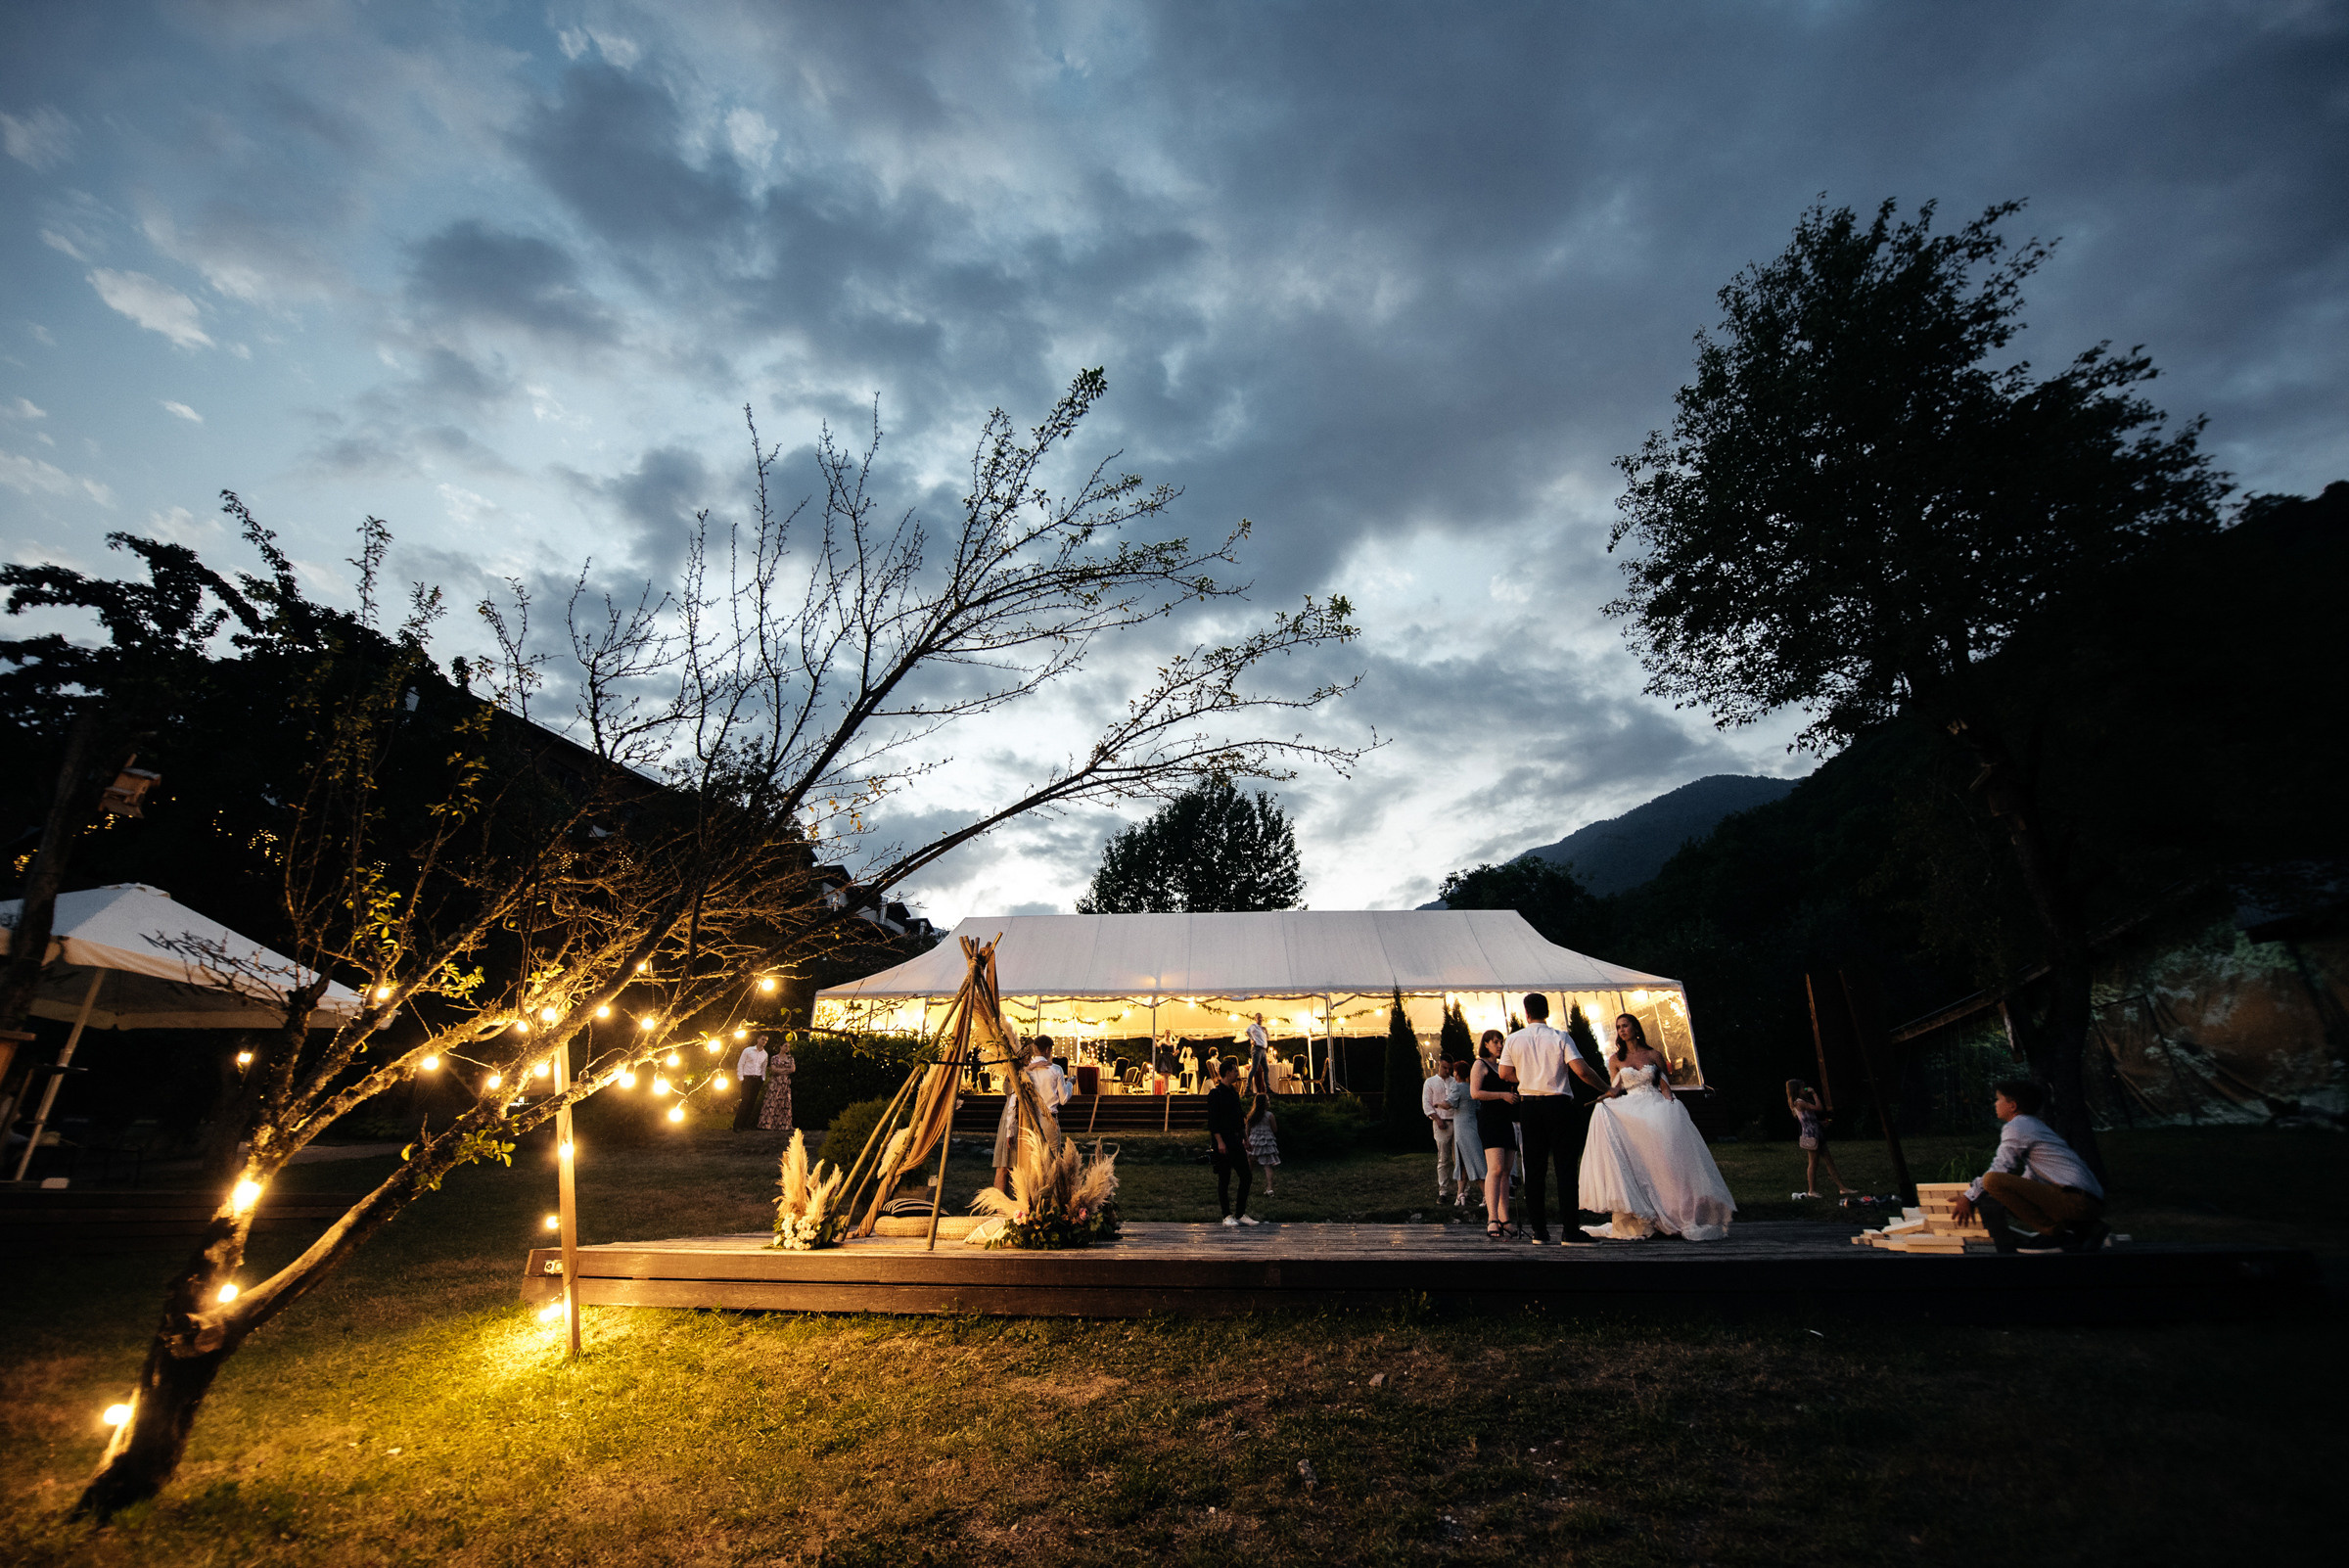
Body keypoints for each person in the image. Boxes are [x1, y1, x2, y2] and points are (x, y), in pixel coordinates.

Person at [1578, 1014, 1736, 1240]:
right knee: (1636, 1156)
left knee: (1663, 1159)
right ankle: (1643, 1213)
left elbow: (1664, 1084)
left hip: (1653, 1105)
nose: (1622, 1030)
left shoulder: (1653, 1055)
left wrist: (1670, 1104)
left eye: (1626, 1026)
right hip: (1631, 1109)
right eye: (1618, 1027)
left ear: (1635, 1028)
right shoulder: (1615, 1059)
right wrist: (1609, 1095)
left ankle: (1672, 1211)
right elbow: (1615, 1089)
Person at [1497, 993, 1607, 1244]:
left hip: (1529, 1108)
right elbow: (1582, 1071)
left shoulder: (1513, 1039)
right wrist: (1606, 1088)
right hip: (1558, 1106)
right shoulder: (1560, 1037)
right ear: (1547, 1012)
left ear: (1526, 1013)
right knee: (1565, 1168)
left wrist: (1526, 1078)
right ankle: (1569, 1231)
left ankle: (1539, 1232)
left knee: (1534, 1169)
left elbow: (1504, 1073)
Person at [1951, 1080, 2109, 1253]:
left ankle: (2056, 1234)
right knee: (2004, 1193)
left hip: (2077, 1201)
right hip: (2086, 1201)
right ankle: (2085, 1229)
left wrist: (1969, 1197)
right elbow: (2029, 1178)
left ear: (2012, 1106)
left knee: (1992, 1180)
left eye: (1998, 1099)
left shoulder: (2017, 1126)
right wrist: (1994, 1200)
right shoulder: (2032, 1125)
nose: (1995, 1104)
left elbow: (2000, 1168)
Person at [991, 1038, 1071, 1195]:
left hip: (1028, 1121)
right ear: (1048, 1049)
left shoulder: (1024, 1071)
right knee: (1052, 1161)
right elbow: (1063, 1099)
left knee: (1032, 1164)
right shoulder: (1054, 1070)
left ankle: (1032, 1198)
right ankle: (1051, 1198)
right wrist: (1071, 1084)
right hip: (1041, 1120)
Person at [1467, 1030, 1520, 1238]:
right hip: (1490, 1120)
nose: (1500, 1045)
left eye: (1501, 1042)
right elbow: (1475, 1093)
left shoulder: (1503, 1067)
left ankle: (1505, 1218)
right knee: (1495, 1168)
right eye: (1496, 1042)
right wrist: (1502, 1095)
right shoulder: (1480, 1065)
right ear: (1486, 1044)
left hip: (1506, 1120)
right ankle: (1492, 1218)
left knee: (1507, 1171)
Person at [1206, 1059, 1259, 1225]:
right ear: (1227, 1072)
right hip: (1223, 1140)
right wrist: (1220, 1142)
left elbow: (1238, 1119)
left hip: (1236, 1139)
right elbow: (1213, 1122)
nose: (1238, 1073)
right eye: (1235, 1071)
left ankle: (1240, 1213)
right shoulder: (1215, 1094)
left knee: (1246, 1176)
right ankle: (1226, 1215)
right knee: (1224, 1178)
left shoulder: (1234, 1093)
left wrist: (1246, 1138)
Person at [1784, 1079, 1855, 1196]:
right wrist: (1814, 1093)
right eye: (1803, 1088)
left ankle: (1842, 1188)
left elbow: (1809, 1119)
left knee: (1829, 1161)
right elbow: (1819, 1108)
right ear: (1797, 1089)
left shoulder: (1800, 1102)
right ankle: (1811, 1190)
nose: (1805, 1089)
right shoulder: (1799, 1102)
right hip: (1811, 1136)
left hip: (1817, 1133)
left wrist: (1822, 1123)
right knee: (1813, 1163)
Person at [1422, 1056, 1462, 1204]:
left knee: (1458, 1158)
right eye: (1444, 1067)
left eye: (1449, 1069)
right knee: (1443, 1159)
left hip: (1456, 1121)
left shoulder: (1454, 1082)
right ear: (1439, 1065)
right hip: (1441, 1122)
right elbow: (1427, 1104)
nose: (1447, 1071)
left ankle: (1462, 1191)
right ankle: (1443, 1191)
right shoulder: (1430, 1082)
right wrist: (1437, 1119)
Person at [755, 1034, 797, 1132]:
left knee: (784, 1103)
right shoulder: (774, 1058)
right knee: (772, 1102)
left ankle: (783, 1125)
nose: (787, 1048)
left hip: (785, 1083)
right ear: (781, 1047)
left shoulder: (790, 1058)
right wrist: (785, 1070)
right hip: (775, 1082)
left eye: (788, 1046)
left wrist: (781, 1070)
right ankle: (767, 1123)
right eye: (785, 1046)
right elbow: (773, 1070)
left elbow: (793, 1069)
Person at [1246, 1092, 1282, 1196]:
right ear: (1266, 1103)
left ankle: (1246, 1185)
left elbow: (1247, 1130)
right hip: (1266, 1143)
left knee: (1250, 1165)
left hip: (1254, 1142)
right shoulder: (1269, 1115)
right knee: (1267, 1165)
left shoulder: (1251, 1116)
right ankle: (1270, 1188)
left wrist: (1247, 1139)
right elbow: (1275, 1129)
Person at [732, 1032, 769, 1131]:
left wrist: (763, 1079)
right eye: (763, 1039)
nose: (764, 1042)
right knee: (745, 1100)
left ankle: (744, 1124)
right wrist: (741, 1077)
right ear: (758, 1039)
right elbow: (741, 1064)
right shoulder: (748, 1050)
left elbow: (763, 1068)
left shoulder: (765, 1054)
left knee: (751, 1102)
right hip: (747, 1078)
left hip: (757, 1079)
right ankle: (737, 1125)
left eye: (766, 1040)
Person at [1244, 1012, 1274, 1097]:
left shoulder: (1262, 1028)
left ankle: (1268, 1089)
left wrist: (1266, 1031)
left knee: (1266, 1069)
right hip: (1257, 1049)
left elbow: (1268, 1038)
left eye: (1261, 1017)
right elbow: (1247, 1031)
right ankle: (1247, 1089)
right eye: (1258, 1018)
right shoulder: (1253, 1026)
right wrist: (1252, 1039)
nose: (1260, 1019)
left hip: (1263, 1050)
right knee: (1254, 1068)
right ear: (1255, 1018)